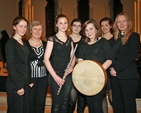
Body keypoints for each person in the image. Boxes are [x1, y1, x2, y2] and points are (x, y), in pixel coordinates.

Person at [77, 19, 112, 113]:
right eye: (86, 30)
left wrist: (98, 71)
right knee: (91, 107)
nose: (89, 32)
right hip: (87, 80)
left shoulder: (103, 42)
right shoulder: (83, 44)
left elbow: (109, 59)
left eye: (91, 29)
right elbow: (80, 59)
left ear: (96, 29)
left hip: (99, 79)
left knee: (97, 106)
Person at [44, 14, 75, 113]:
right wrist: (55, 76)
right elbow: (46, 59)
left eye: (65, 23)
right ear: (56, 24)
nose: (63, 25)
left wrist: (71, 66)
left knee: (65, 101)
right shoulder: (52, 39)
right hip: (55, 74)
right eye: (60, 23)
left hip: (67, 74)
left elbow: (73, 56)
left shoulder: (70, 40)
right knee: (57, 102)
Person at [110, 12, 140, 113]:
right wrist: (111, 69)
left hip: (128, 77)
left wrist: (116, 69)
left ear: (128, 22)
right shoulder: (114, 39)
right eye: (119, 22)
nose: (121, 24)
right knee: (117, 106)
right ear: (116, 24)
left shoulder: (134, 36)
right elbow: (110, 56)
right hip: (115, 77)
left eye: (124, 21)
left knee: (129, 107)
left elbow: (131, 56)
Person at [5, 16, 29, 113]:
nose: (23, 29)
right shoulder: (10, 43)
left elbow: (26, 63)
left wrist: (29, 80)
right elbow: (10, 65)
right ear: (14, 27)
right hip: (15, 84)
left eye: (25, 26)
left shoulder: (24, 43)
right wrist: (19, 86)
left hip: (24, 81)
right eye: (21, 26)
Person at [25, 21, 48, 113]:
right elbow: (23, 63)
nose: (37, 31)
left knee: (40, 102)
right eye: (35, 29)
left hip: (43, 78)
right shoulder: (24, 44)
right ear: (30, 30)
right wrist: (28, 79)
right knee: (30, 103)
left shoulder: (46, 44)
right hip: (30, 78)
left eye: (40, 29)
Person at [68, 18, 87, 113]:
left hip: (82, 72)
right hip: (70, 72)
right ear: (71, 27)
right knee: (71, 99)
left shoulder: (85, 40)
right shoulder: (66, 39)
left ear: (81, 28)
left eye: (79, 26)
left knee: (82, 100)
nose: (76, 27)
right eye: (74, 25)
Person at [100, 17, 115, 113]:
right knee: (101, 97)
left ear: (110, 26)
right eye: (102, 25)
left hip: (113, 71)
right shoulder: (99, 40)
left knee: (112, 98)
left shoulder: (116, 39)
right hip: (101, 71)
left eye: (106, 25)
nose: (104, 27)